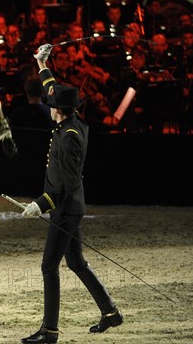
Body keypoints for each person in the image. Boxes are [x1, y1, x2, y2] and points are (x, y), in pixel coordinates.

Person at [19, 43, 123, 343]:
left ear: (58, 110)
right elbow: (53, 86)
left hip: (65, 208)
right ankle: (111, 312)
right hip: (70, 207)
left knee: (49, 266)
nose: (49, 107)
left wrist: (40, 204)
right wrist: (42, 63)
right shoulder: (72, 122)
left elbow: (65, 182)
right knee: (75, 262)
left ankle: (50, 331)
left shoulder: (70, 138)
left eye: (52, 105)